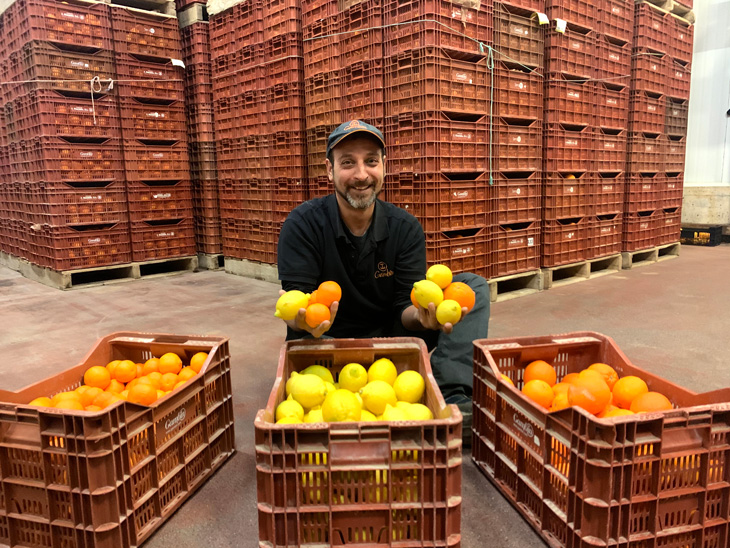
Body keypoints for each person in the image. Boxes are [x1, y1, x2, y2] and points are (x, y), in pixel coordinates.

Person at [276, 120, 490, 445]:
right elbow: (298, 303)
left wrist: (421, 315)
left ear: (384, 167)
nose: (361, 174)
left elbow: (405, 304)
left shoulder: (405, 228)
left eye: (371, 161)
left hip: (389, 341)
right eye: (348, 162)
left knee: (473, 287)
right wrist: (301, 321)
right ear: (329, 170)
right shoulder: (303, 225)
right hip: (326, 344)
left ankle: (450, 400)